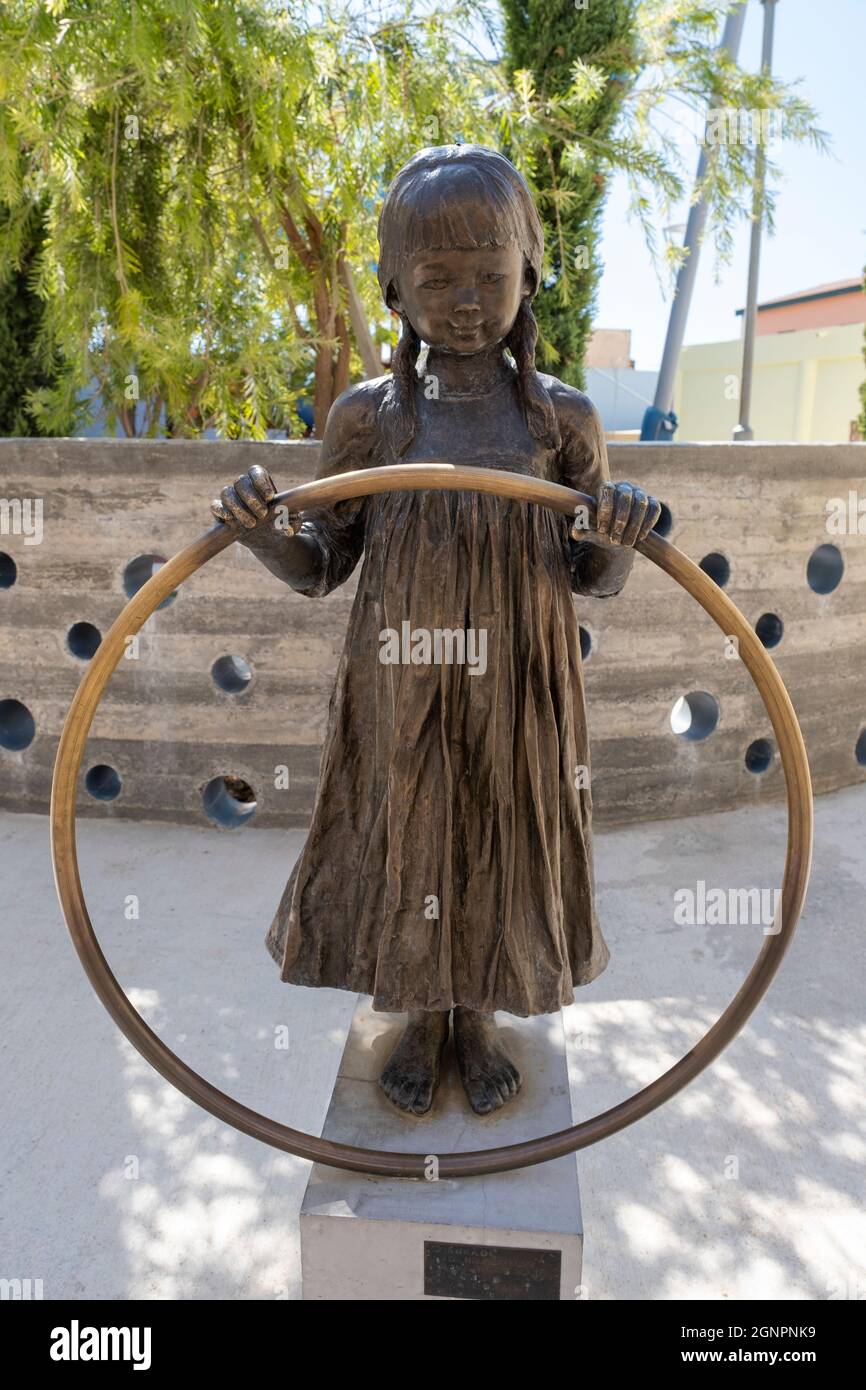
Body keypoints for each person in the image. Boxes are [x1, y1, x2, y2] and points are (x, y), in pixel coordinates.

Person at [211, 146, 661, 1117]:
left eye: (489, 276)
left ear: (528, 276)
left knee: (500, 828)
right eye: (437, 279)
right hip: (399, 677)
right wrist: (260, 537)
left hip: (519, 681)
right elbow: (321, 566)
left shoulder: (561, 421)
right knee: (411, 826)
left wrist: (619, 540)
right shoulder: (369, 421)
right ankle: (419, 1011)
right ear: (393, 291)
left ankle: (479, 1015)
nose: (465, 300)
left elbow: (593, 577)